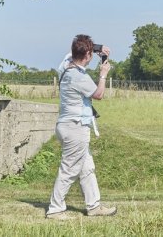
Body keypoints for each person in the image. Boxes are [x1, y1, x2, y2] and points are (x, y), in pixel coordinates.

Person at [46, 34, 116, 220]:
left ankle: (94, 206)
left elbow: (72, 52)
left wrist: (97, 47)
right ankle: (55, 209)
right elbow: (98, 94)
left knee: (87, 168)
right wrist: (103, 74)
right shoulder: (80, 77)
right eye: (91, 52)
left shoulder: (64, 67)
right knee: (69, 169)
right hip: (76, 127)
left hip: (65, 125)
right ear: (87, 55)